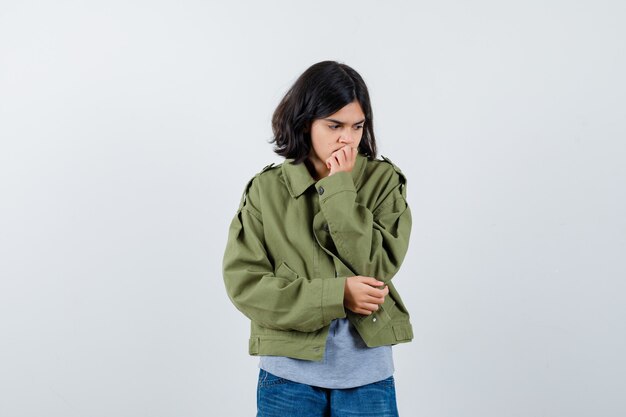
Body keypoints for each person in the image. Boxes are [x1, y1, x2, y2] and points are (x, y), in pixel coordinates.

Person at [222, 60, 414, 417]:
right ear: (304, 122)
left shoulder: (382, 181)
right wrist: (337, 295)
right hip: (287, 375)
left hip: (367, 376)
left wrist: (340, 187)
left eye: (358, 126)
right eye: (334, 125)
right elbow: (245, 285)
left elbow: (377, 266)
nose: (348, 138)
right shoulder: (266, 190)